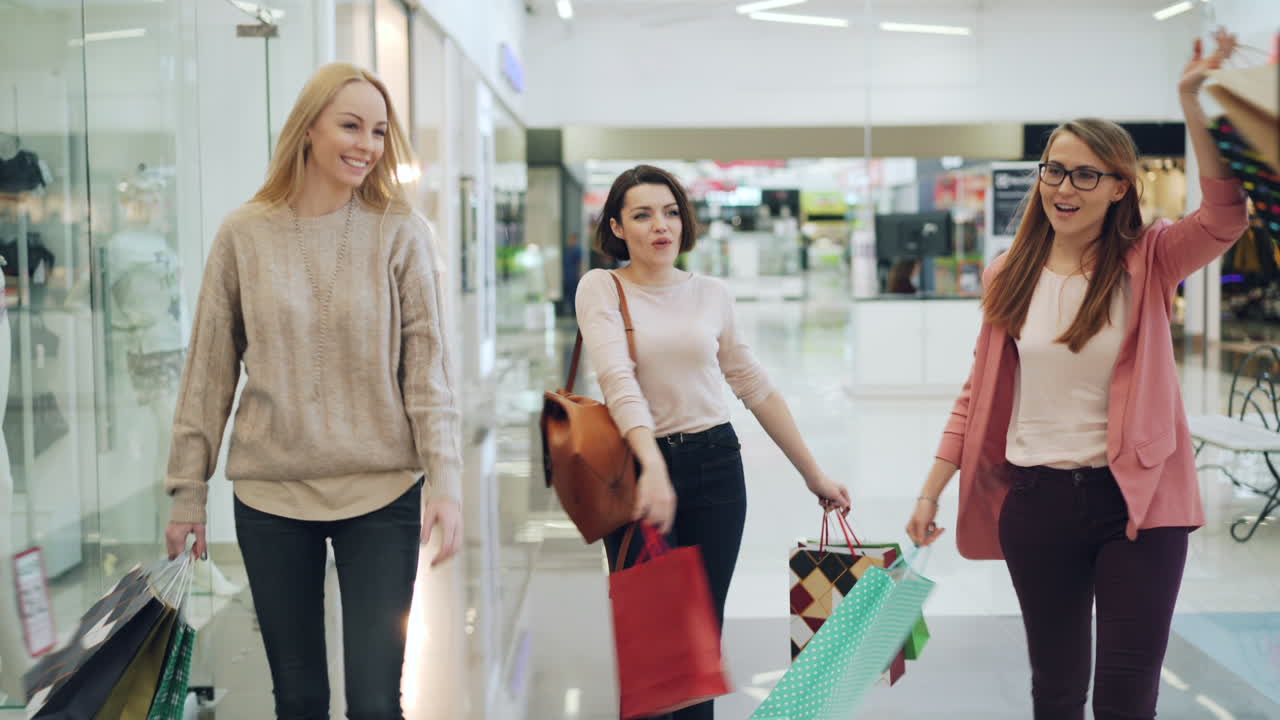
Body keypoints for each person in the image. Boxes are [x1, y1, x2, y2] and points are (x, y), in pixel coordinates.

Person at [906, 31, 1247, 720]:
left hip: (1139, 507)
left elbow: (1224, 216)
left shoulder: (1152, 260)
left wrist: (1192, 101)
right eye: (1054, 170)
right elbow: (978, 394)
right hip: (1037, 503)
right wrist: (930, 492)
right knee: (1056, 690)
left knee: (1126, 694)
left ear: (1121, 185)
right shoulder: (1010, 273)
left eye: (1086, 174)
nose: (1065, 187)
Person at [162, 62, 462, 719]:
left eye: (379, 131)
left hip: (381, 493)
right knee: (298, 699)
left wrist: (446, 480)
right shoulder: (245, 233)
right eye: (350, 125)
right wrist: (187, 490)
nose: (367, 145)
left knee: (377, 702)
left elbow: (427, 370)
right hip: (272, 497)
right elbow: (209, 368)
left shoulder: (399, 231)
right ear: (308, 131)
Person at [576, 164, 853, 720]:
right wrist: (651, 463)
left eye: (672, 211)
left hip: (716, 467)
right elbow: (617, 378)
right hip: (637, 475)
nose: (662, 225)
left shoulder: (711, 293)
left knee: (701, 642)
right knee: (657, 648)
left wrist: (813, 473)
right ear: (617, 227)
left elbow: (751, 383)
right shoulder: (602, 287)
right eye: (643, 214)